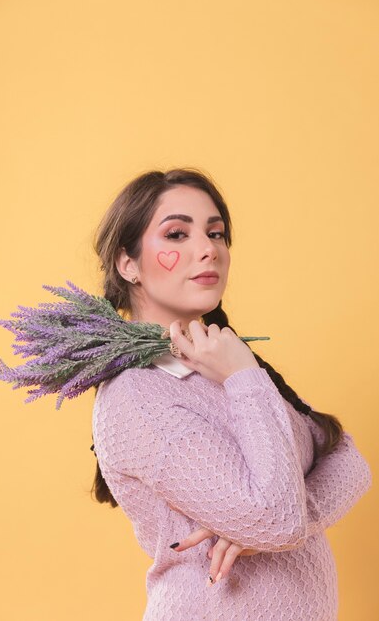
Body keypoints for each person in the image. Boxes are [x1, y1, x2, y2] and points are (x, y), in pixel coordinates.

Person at [90, 167, 372, 620]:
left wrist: (263, 528)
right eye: (177, 234)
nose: (208, 250)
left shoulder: (223, 365)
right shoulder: (137, 395)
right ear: (128, 263)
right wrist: (243, 376)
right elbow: (278, 520)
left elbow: (349, 462)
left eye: (216, 233)